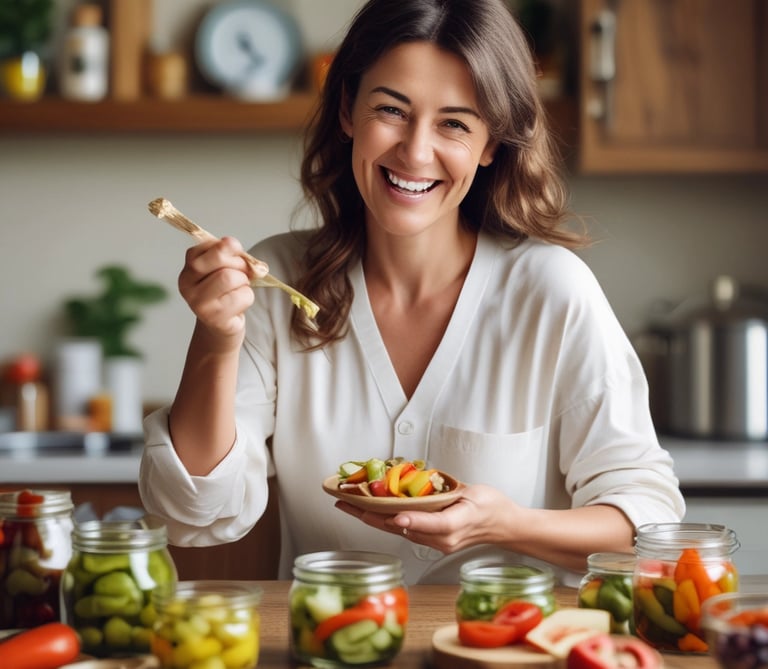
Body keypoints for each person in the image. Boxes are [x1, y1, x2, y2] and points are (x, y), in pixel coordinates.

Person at [139, 0, 684, 585]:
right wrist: (218, 338)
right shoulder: (278, 278)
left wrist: (506, 525)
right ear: (348, 109)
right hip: (333, 645)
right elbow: (192, 511)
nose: (416, 152)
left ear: (492, 142)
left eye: (454, 122)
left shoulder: (552, 292)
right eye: (391, 110)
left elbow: (648, 531)